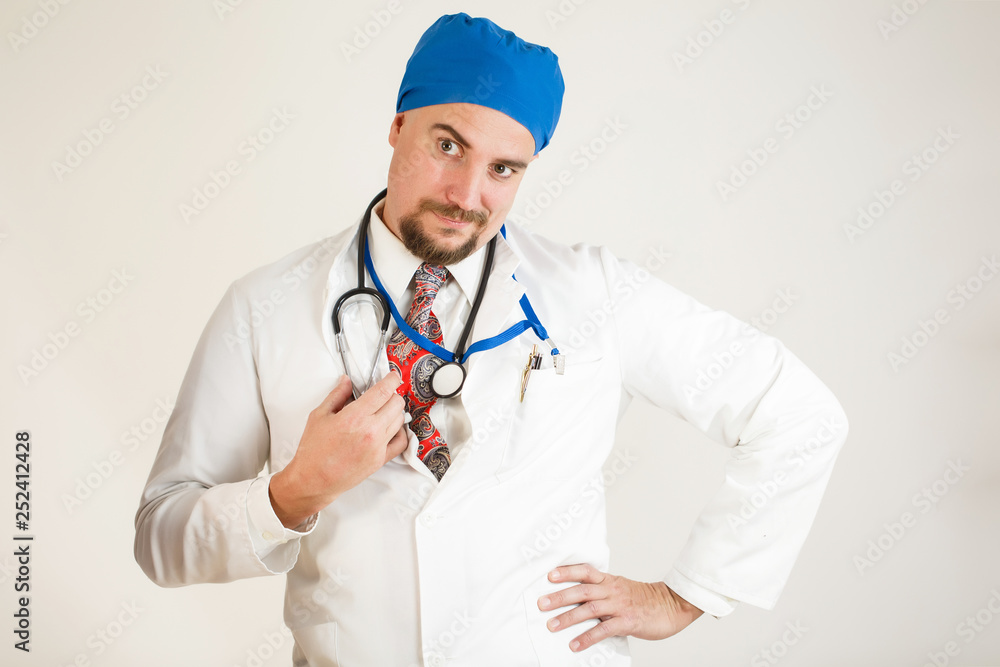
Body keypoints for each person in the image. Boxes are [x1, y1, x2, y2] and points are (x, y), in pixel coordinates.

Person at [134, 13, 848, 666]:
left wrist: (689, 592)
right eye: (448, 145)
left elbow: (799, 415)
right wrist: (295, 491)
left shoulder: (595, 293)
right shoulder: (264, 306)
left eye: (503, 169)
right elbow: (161, 539)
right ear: (398, 126)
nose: (467, 194)